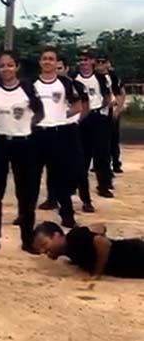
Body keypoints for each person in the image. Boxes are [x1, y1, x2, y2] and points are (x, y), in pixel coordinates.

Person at [0, 51, 44, 254]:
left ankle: (27, 239)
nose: (5, 69)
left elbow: (40, 113)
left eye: (10, 65)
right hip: (0, 144)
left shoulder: (27, 88)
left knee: (25, 195)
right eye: (2, 65)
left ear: (16, 67)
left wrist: (25, 127)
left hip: (23, 145)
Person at [33, 47, 81, 228]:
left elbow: (77, 107)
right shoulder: (31, 84)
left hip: (57, 135)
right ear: (40, 62)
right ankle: (25, 215)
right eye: (44, 58)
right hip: (36, 135)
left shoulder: (65, 84)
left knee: (59, 178)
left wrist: (60, 116)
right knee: (31, 179)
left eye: (51, 59)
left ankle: (67, 216)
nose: (47, 62)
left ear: (56, 62)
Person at [33, 221, 144, 279]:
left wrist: (97, 273)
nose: (43, 251)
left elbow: (104, 243)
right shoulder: (68, 249)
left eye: (44, 244)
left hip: (133, 255)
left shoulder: (73, 237)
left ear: (56, 235)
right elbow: (100, 227)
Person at [57, 59, 94, 213]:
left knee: (79, 166)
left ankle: (86, 200)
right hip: (54, 129)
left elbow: (85, 106)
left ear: (66, 68)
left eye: (60, 67)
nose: (57, 70)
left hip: (71, 129)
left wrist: (77, 120)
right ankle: (53, 198)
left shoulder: (75, 85)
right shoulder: (47, 85)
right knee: (55, 167)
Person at [75, 50, 114, 198]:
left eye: (86, 59)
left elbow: (107, 96)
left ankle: (103, 185)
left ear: (92, 61)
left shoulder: (101, 78)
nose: (83, 62)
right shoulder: (75, 78)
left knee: (102, 155)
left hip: (98, 118)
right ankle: (78, 185)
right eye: (81, 60)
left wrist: (100, 109)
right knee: (81, 155)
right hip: (82, 119)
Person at [98, 56, 125, 174]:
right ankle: (100, 164)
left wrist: (118, 109)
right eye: (98, 62)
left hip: (112, 109)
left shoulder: (114, 77)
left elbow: (121, 93)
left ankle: (116, 163)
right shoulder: (94, 77)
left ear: (108, 63)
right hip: (99, 111)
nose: (100, 64)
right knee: (100, 140)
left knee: (114, 138)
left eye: (103, 62)